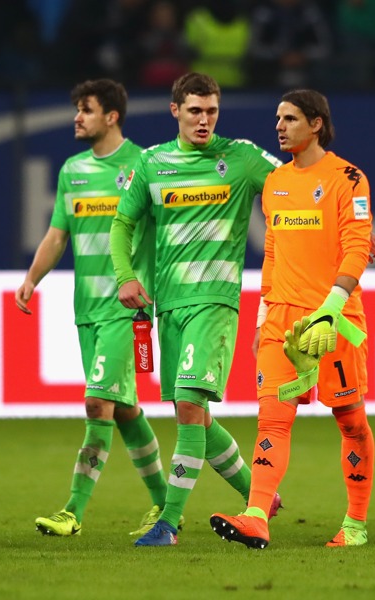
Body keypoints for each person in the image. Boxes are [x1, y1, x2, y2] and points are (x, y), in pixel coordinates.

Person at [109, 72, 283, 547]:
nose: (204, 121)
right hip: (170, 305)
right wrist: (126, 277)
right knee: (196, 415)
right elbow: (122, 224)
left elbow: (293, 184)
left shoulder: (241, 157)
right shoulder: (152, 163)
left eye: (211, 112)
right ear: (175, 112)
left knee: (189, 405)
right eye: (195, 111)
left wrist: (345, 215)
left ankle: (168, 522)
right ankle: (258, 494)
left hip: (216, 301)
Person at [210, 88, 375, 549]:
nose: (279, 126)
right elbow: (274, 253)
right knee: (272, 421)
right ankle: (257, 516)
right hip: (282, 321)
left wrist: (330, 308)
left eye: (290, 119)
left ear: (316, 123)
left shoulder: (348, 178)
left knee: (350, 421)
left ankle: (355, 524)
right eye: (278, 118)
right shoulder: (277, 183)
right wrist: (264, 313)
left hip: (334, 320)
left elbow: (358, 246)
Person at [15, 78, 173, 538]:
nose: (76, 118)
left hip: (128, 308)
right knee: (123, 408)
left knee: (98, 402)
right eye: (76, 110)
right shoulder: (72, 170)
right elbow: (57, 235)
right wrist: (31, 278)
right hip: (86, 308)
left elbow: (166, 230)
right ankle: (166, 504)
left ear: (112, 116)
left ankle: (73, 510)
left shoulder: (144, 165)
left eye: (85, 109)